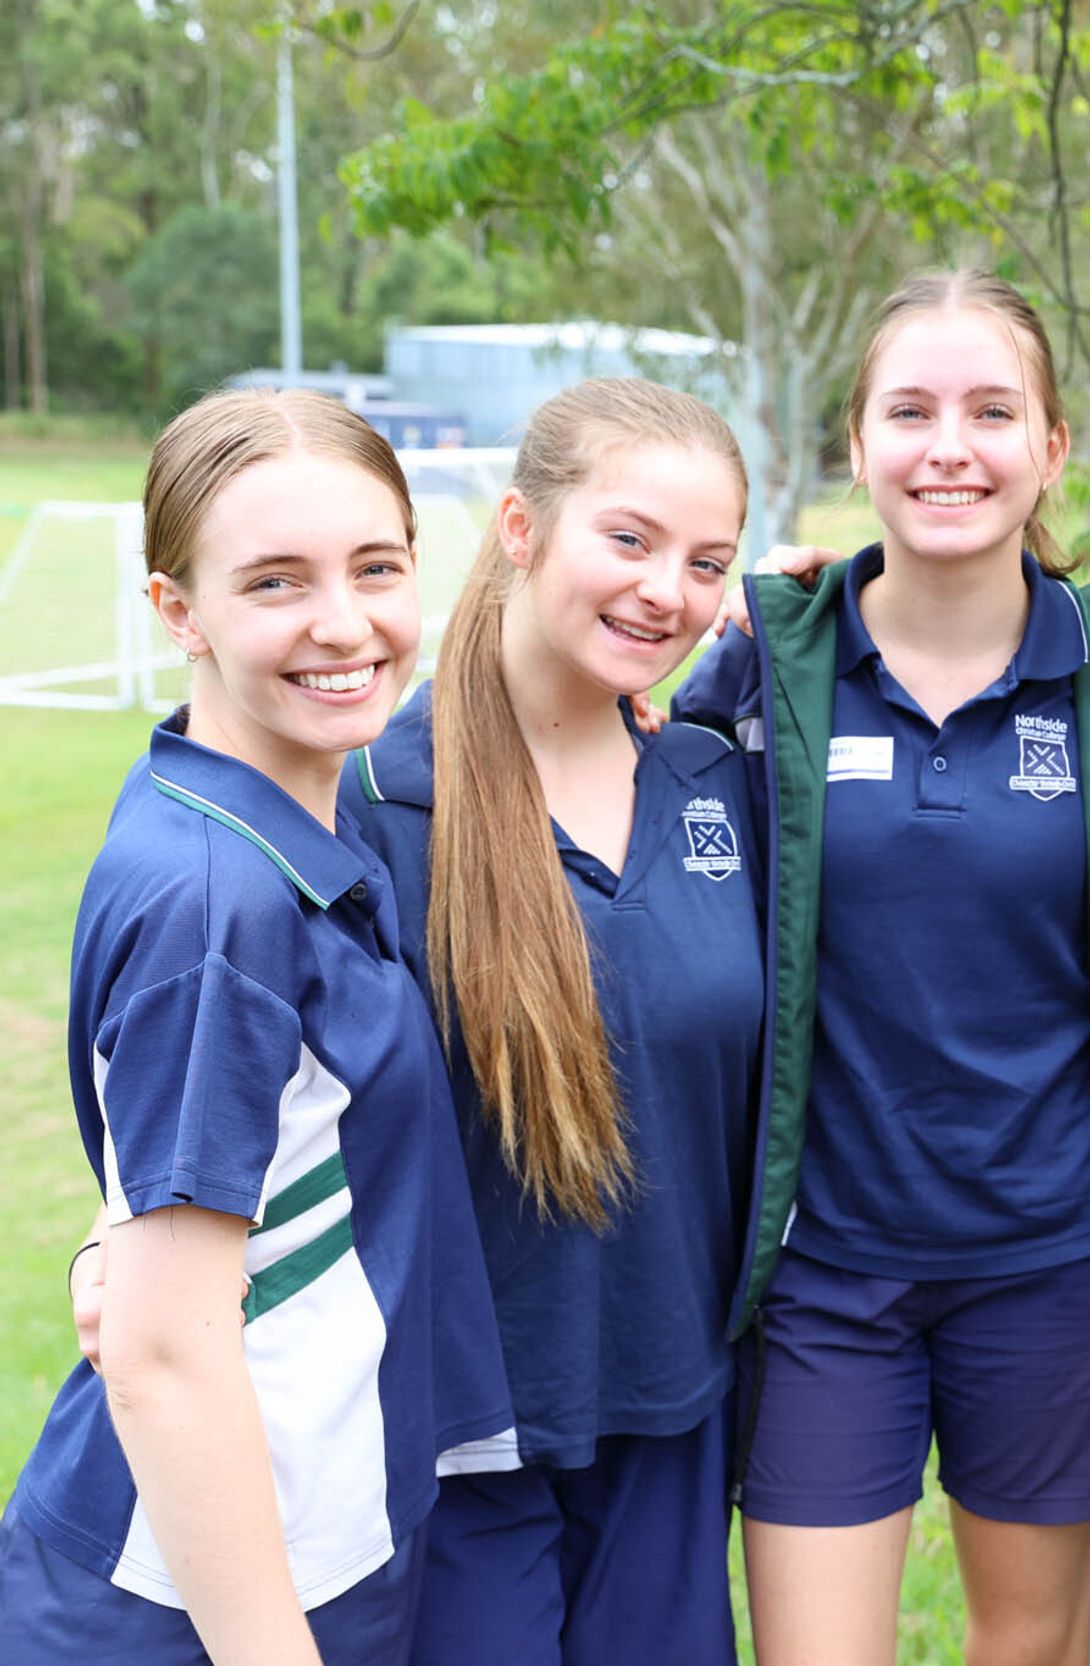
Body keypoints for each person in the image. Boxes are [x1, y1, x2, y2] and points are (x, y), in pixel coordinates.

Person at [671, 270, 1090, 1666]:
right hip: (827, 1269)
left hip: (1054, 1262)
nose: (949, 447)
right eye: (910, 411)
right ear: (857, 442)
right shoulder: (761, 667)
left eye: (992, 411)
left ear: (1052, 446)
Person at [0, 389, 514, 1665]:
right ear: (178, 610)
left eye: (376, 567)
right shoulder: (217, 903)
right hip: (199, 1596)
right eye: (276, 580)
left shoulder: (266, 808)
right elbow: (163, 1356)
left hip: (309, 1536)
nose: (343, 622)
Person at [352, 378, 760, 1666]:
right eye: (628, 539)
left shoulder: (715, 781)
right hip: (458, 1433)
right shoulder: (377, 800)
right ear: (521, 527)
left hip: (673, 1406)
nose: (666, 591)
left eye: (707, 563)